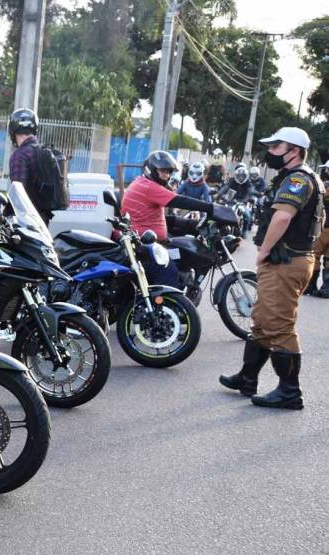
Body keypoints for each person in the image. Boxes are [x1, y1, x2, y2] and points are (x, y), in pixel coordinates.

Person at [219, 127, 324, 410]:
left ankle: (290, 391)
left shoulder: (299, 180)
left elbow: (282, 218)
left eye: (277, 147)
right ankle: (247, 378)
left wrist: (263, 251)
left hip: (286, 262)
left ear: (295, 151)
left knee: (280, 326)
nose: (271, 152)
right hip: (284, 261)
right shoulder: (293, 177)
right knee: (263, 322)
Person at [121, 151, 236, 286]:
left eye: (169, 172)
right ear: (151, 169)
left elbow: (156, 218)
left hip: (145, 240)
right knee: (171, 272)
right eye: (163, 171)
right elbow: (180, 200)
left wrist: (192, 225)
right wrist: (212, 208)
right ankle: (170, 304)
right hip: (143, 246)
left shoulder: (142, 182)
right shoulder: (149, 187)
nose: (167, 175)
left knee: (185, 248)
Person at [7, 108, 52, 223]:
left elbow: (18, 193)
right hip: (44, 218)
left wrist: (5, 213)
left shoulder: (19, 156)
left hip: (27, 221)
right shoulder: (44, 151)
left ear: (13, 131)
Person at [304, 161, 329, 297]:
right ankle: (326, 288)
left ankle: (311, 285)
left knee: (314, 256)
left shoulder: (323, 187)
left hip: (324, 227)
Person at [222, 164, 254, 235]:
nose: (241, 177)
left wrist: (247, 199)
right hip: (232, 200)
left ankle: (244, 231)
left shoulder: (248, 182)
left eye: (243, 176)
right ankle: (223, 228)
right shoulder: (232, 180)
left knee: (247, 215)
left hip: (243, 201)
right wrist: (218, 194)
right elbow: (226, 187)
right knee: (225, 211)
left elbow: (250, 190)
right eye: (239, 176)